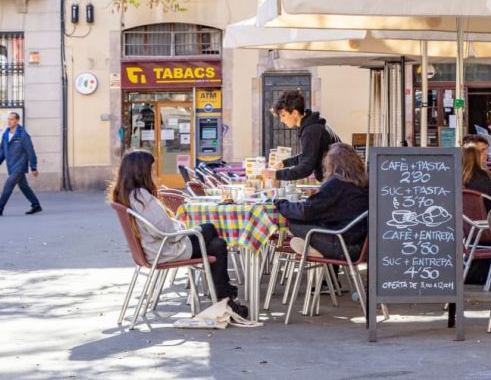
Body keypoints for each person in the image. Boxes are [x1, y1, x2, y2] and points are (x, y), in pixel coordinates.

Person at [108, 149, 248, 318]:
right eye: (151, 169)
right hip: (166, 249)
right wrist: (187, 229)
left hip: (156, 248)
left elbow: (163, 226)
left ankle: (225, 300)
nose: (154, 173)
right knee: (209, 228)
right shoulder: (142, 197)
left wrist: (185, 228)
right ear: (141, 172)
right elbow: (166, 230)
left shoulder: (128, 195)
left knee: (218, 245)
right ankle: (226, 296)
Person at [276, 142, 368, 259]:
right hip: (360, 246)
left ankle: (318, 250)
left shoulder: (337, 184)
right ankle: (314, 249)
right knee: (318, 221)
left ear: (331, 163)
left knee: (292, 221)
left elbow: (307, 211)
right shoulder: (364, 182)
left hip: (342, 246)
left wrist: (280, 204)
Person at [262, 90, 340, 184]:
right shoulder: (312, 125)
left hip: (338, 182)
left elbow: (306, 168)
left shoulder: (311, 131)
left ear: (294, 113)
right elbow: (308, 155)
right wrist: (283, 163)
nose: (282, 120)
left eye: (283, 115)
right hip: (336, 180)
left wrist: (275, 174)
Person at [0, 112, 42, 217]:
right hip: (11, 166)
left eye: (12, 119)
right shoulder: (5, 134)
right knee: (24, 187)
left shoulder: (23, 135)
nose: (9, 121)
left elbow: (30, 151)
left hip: (20, 166)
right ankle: (36, 205)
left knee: (8, 185)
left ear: (17, 121)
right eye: (8, 119)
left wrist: (33, 167)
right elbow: (2, 151)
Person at [462, 142, 491, 211]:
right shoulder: (482, 179)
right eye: (482, 151)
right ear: (477, 157)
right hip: (490, 217)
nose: (485, 153)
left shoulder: (458, 179)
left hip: (465, 219)